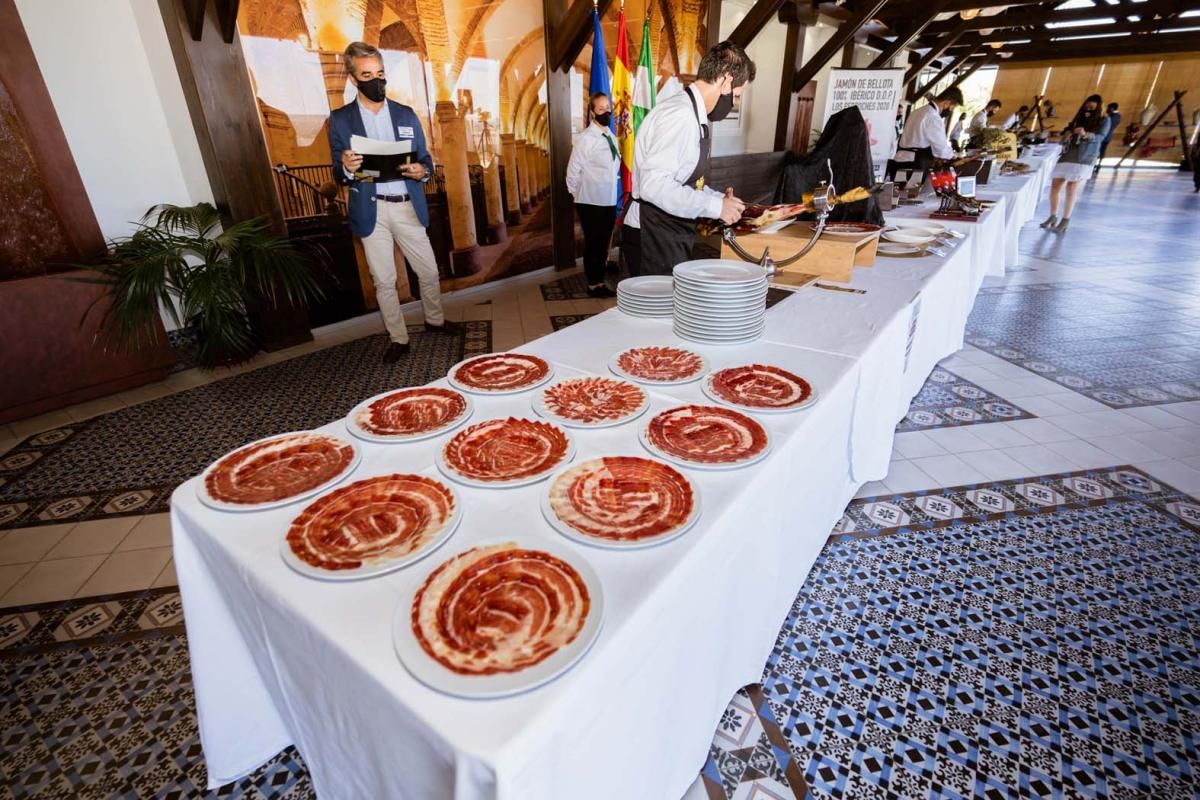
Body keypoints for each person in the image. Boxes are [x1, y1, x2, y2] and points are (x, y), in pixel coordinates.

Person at [329, 41, 461, 363]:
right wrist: (345, 168)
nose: (377, 81)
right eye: (367, 75)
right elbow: (337, 168)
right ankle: (398, 338)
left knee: (428, 271)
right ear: (353, 79)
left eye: (380, 73)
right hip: (370, 207)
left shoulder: (405, 114)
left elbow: (425, 159)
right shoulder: (341, 120)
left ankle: (435, 320)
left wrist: (421, 171)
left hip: (406, 203)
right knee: (385, 281)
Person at [622, 41, 754, 276]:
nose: (733, 104)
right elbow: (654, 185)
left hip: (670, 232)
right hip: (652, 234)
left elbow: (684, 183)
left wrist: (720, 201)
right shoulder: (680, 116)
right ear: (726, 81)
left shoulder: (695, 116)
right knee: (654, 312)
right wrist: (714, 207)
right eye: (737, 95)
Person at [565, 93, 619, 298]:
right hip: (590, 201)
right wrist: (577, 196)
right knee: (594, 243)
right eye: (601, 109)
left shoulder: (609, 136)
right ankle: (594, 284)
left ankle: (599, 275)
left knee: (603, 241)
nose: (606, 112)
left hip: (607, 199)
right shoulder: (587, 138)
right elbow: (572, 171)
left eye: (608, 107)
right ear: (592, 112)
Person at [1040, 94, 1110, 234]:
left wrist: (1085, 134)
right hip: (1069, 153)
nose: (1088, 109)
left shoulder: (1104, 120)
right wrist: (1068, 133)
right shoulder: (1080, 117)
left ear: (1098, 107)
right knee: (1055, 186)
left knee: (1071, 188)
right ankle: (1053, 216)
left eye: (1091, 107)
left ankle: (1065, 220)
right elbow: (1068, 129)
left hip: (1084, 157)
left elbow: (1101, 137)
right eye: (1087, 106)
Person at [892, 87, 963, 174]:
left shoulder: (917, 112)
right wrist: (954, 155)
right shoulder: (933, 117)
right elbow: (940, 150)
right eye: (952, 108)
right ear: (946, 103)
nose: (950, 111)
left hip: (899, 160)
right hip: (914, 164)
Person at [1093, 102, 1122, 175]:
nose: (1107, 109)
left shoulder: (1111, 117)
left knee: (1098, 150)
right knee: (1102, 151)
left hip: (1103, 136)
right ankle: (1098, 166)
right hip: (1108, 136)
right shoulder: (1118, 116)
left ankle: (1096, 165)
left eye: (1108, 108)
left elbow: (1105, 125)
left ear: (1112, 108)